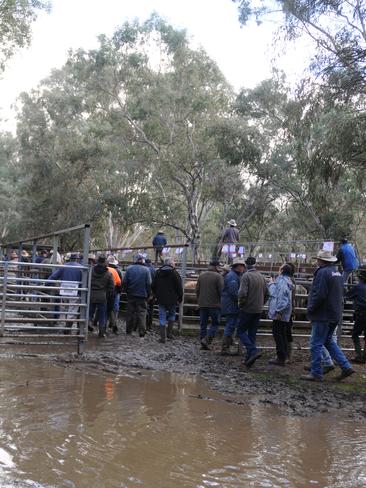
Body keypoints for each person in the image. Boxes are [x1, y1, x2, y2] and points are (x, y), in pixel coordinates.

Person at [301, 250, 355, 382]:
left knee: (315, 343)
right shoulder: (337, 273)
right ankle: (345, 366)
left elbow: (319, 294)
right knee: (328, 341)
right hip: (334, 313)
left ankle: (316, 372)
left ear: (321, 261)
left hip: (323, 314)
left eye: (317, 259)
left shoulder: (322, 272)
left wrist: (311, 310)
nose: (316, 261)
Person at [237, 256, 268, 367]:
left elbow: (242, 293)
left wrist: (241, 304)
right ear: (255, 264)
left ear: (246, 264)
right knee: (252, 334)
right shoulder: (261, 277)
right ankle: (249, 359)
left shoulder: (246, 276)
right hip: (258, 309)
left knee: (240, 331)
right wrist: (261, 303)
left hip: (247, 309)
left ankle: (253, 351)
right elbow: (267, 293)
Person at [48, 252, 82, 334]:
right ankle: (68, 328)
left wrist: (45, 284)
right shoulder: (81, 268)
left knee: (66, 308)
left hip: (65, 291)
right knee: (72, 309)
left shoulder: (64, 267)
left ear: (68, 259)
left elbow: (53, 277)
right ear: (77, 259)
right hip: (76, 292)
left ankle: (67, 327)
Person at [267, 264, 294, 366]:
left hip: (280, 313)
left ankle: (281, 357)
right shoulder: (287, 281)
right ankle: (282, 356)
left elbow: (282, 298)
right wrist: (272, 284)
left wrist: (278, 311)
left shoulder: (282, 281)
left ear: (282, 270)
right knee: (281, 333)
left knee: (278, 333)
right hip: (284, 313)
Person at [152, 258, 183, 343]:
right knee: (172, 314)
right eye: (174, 264)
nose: (175, 265)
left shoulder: (158, 272)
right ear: (171, 264)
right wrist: (180, 298)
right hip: (172, 299)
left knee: (162, 316)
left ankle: (163, 337)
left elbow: (153, 285)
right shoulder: (175, 273)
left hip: (161, 299)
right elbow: (179, 287)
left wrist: (156, 294)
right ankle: (169, 334)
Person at [196, 258, 224, 350]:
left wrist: (199, 300)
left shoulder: (201, 275)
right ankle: (207, 340)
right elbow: (221, 291)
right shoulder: (218, 277)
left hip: (202, 304)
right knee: (215, 323)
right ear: (216, 267)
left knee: (203, 324)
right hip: (214, 304)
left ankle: (202, 341)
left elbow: (197, 290)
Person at [220, 257, 245, 355]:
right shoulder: (232, 277)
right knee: (230, 325)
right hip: (231, 305)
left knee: (231, 325)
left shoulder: (234, 275)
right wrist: (241, 301)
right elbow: (234, 292)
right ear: (238, 266)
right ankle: (225, 348)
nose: (243, 268)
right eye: (242, 266)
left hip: (230, 305)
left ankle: (228, 345)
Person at [123, 253, 152, 337]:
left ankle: (129, 330)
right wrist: (149, 294)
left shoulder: (129, 269)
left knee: (130, 313)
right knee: (142, 313)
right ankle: (142, 331)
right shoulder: (146, 270)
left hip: (131, 294)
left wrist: (127, 291)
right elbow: (148, 283)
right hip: (142, 295)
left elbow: (125, 282)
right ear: (142, 260)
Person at [89, 255, 114, 338]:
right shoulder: (108, 273)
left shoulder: (91, 271)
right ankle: (101, 332)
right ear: (105, 262)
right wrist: (106, 295)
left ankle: (86, 328)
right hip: (102, 296)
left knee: (89, 313)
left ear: (97, 261)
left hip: (91, 295)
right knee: (102, 315)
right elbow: (111, 287)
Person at [346, 266, 366, 363]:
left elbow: (348, 295)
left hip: (362, 314)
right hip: (362, 313)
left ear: (360, 277)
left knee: (355, 334)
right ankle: (364, 356)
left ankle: (359, 356)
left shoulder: (358, 287)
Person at [107, 255, 123, 335]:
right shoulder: (118, 271)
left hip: (105, 291)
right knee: (115, 308)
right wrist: (120, 292)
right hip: (115, 292)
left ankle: (101, 323)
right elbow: (120, 283)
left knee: (106, 307)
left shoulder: (105, 269)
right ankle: (113, 323)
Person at [145, 258, 156, 331]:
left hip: (144, 292)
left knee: (143, 308)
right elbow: (155, 282)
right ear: (151, 263)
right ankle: (149, 325)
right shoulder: (153, 270)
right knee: (151, 309)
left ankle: (143, 324)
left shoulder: (143, 269)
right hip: (152, 293)